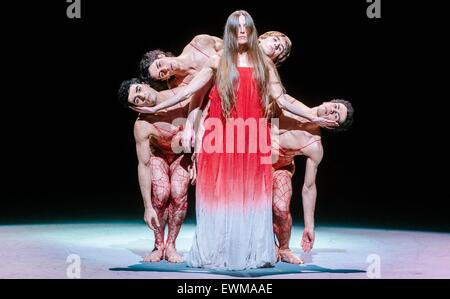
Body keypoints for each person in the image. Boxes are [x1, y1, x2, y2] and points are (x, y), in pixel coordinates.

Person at [117, 78, 207, 262]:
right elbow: (143, 164)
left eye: (139, 89)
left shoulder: (181, 96)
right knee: (161, 192)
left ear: (145, 83)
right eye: (137, 100)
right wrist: (147, 207)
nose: (142, 96)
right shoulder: (143, 124)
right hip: (160, 155)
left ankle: (171, 245)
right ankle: (159, 245)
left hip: (183, 154)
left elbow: (203, 116)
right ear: (136, 108)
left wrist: (198, 157)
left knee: (178, 191)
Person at [271, 97, 354, 264]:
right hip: (251, 156)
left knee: (281, 208)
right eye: (335, 107)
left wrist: (309, 226)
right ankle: (264, 244)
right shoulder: (290, 104)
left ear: (332, 126)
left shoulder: (314, 145)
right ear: (328, 101)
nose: (332, 111)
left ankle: (284, 248)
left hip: (279, 168)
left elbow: (308, 187)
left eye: (336, 116)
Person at [139, 31, 291, 91]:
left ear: (161, 56)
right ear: (164, 78)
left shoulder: (199, 43)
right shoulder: (178, 85)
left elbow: (234, 50)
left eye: (160, 65)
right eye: (161, 74)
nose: (164, 69)